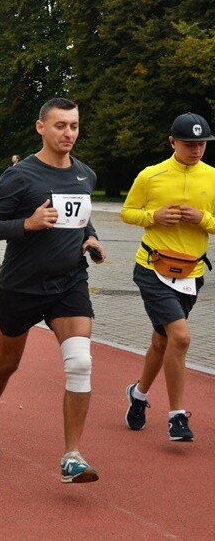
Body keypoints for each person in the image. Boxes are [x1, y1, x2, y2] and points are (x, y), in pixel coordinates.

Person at [0, 98, 104, 484]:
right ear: (41, 128)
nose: (69, 133)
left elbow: (82, 215)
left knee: (80, 363)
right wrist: (27, 224)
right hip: (21, 286)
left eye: (75, 126)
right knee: (7, 364)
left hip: (69, 283)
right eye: (61, 125)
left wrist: (91, 237)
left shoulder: (85, 175)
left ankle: (72, 455)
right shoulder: (20, 176)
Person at [120, 112, 215, 443]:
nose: (196, 150)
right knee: (183, 337)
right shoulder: (151, 175)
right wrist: (153, 216)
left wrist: (203, 219)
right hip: (152, 268)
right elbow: (127, 212)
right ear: (172, 141)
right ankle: (177, 416)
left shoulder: (213, 177)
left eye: (202, 144)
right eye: (190, 144)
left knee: (163, 341)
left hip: (193, 272)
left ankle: (139, 395)